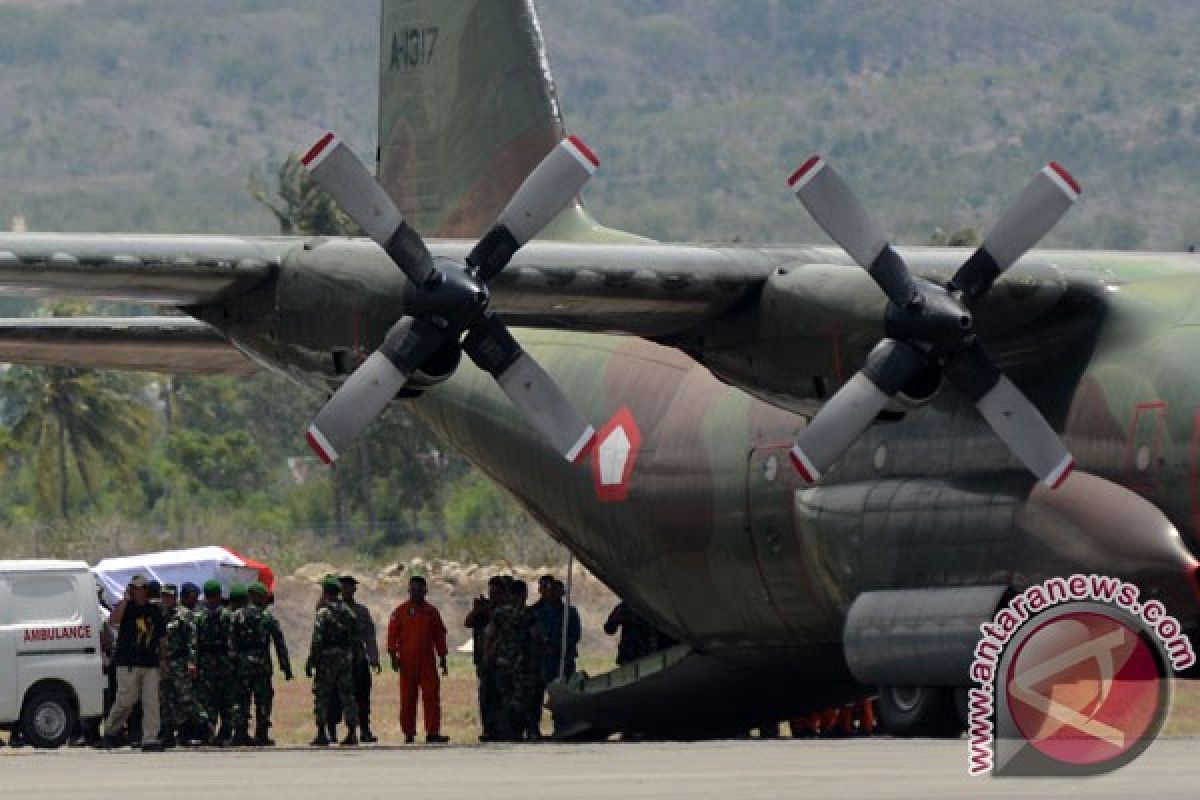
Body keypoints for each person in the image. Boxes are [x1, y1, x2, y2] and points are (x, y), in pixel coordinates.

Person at [101, 575, 166, 751]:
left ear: (145, 590)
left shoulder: (155, 611)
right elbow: (113, 621)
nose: (137, 592)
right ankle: (110, 730)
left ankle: (150, 738)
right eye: (134, 588)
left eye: (139, 588)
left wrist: (163, 659)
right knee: (126, 700)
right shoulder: (126, 608)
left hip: (149, 662)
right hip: (128, 662)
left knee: (151, 701)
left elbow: (161, 637)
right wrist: (125, 601)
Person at [387, 575, 449, 744]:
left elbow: (439, 636)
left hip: (427, 661)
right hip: (407, 662)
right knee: (407, 698)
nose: (415, 593)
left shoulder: (431, 612)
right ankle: (408, 733)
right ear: (409, 590)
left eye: (419, 589)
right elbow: (392, 636)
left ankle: (433, 732)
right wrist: (393, 656)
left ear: (425, 591)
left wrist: (443, 657)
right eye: (413, 589)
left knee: (431, 697)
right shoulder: (399, 612)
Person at [230, 582, 293, 746]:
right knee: (263, 699)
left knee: (241, 698)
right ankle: (262, 733)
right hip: (262, 664)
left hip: (242, 664)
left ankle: (240, 732)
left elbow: (230, 642)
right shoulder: (268, 618)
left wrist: (232, 663)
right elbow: (280, 644)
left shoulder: (237, 616)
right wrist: (285, 667)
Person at [306, 576, 360, 746]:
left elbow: (317, 639)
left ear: (325, 592)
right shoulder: (348, 611)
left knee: (322, 694)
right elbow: (355, 637)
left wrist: (311, 661)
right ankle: (352, 732)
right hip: (345, 657)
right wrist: (355, 658)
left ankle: (322, 732)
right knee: (347, 695)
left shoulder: (323, 612)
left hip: (327, 658)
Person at [331, 575, 380, 743]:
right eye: (344, 587)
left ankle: (365, 730)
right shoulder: (332, 610)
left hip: (358, 660)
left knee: (363, 696)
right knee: (336, 697)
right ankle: (333, 732)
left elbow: (370, 635)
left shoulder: (361, 611)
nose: (347, 590)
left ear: (355, 590)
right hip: (339, 661)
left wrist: (374, 657)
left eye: (350, 587)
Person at [464, 575, 505, 741]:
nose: (493, 595)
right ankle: (489, 729)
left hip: (503, 662)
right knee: (486, 698)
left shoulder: (505, 611)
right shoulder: (484, 611)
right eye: (491, 591)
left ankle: (503, 729)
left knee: (503, 698)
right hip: (485, 662)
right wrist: (477, 610)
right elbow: (468, 622)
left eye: (497, 592)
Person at [193, 580, 234, 745]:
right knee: (225, 698)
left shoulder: (198, 616)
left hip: (207, 661)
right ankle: (225, 733)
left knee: (208, 699)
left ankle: (209, 733)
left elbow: (193, 642)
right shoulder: (228, 615)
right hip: (223, 661)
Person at [603, 601, 661, 666]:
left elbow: (609, 629)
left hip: (647, 655)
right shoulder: (626, 607)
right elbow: (609, 629)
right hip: (634, 655)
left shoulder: (655, 606)